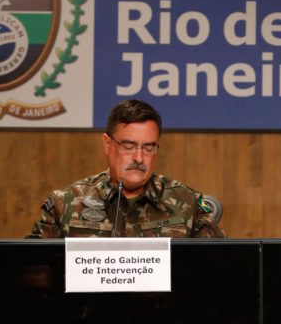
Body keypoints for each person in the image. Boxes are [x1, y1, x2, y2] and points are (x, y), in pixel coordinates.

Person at [28, 99, 226, 238]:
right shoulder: (65, 203)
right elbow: (32, 270)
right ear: (107, 144)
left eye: (148, 147)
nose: (139, 158)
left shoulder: (189, 203)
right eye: (129, 146)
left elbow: (222, 267)